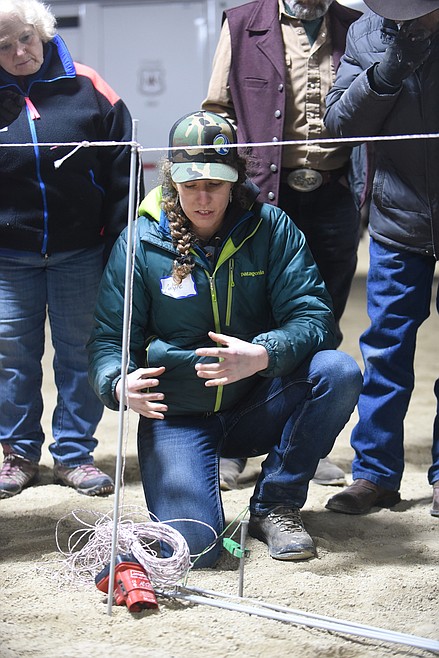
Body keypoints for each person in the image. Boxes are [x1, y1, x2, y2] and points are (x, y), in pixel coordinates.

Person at [88, 110, 362, 567]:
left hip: (256, 400)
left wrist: (263, 354)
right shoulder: (139, 241)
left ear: (234, 180)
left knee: (337, 371)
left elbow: (316, 318)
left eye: (214, 184)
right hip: (178, 415)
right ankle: (198, 498)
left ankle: (275, 504)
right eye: (191, 184)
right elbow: (109, 338)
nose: (203, 198)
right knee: (194, 550)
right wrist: (118, 382)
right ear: (172, 180)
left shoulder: (272, 228)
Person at [202, 0, 363, 489]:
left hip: (335, 194)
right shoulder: (242, 23)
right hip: (263, 194)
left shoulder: (353, 25)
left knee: (321, 322)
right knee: (249, 319)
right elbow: (217, 112)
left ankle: (304, 446)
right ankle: (232, 446)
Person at [0, 0, 141, 498]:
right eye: (3, 46)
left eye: (25, 38)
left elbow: (124, 170)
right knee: (12, 358)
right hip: (8, 257)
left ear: (41, 31)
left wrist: (121, 243)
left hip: (82, 251)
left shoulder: (88, 86)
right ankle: (18, 454)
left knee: (81, 356)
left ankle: (74, 453)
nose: (20, 52)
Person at [323, 0, 439, 517]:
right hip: (397, 220)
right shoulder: (367, 33)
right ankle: (374, 474)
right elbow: (339, 123)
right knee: (386, 349)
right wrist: (391, 67)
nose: (407, 19)